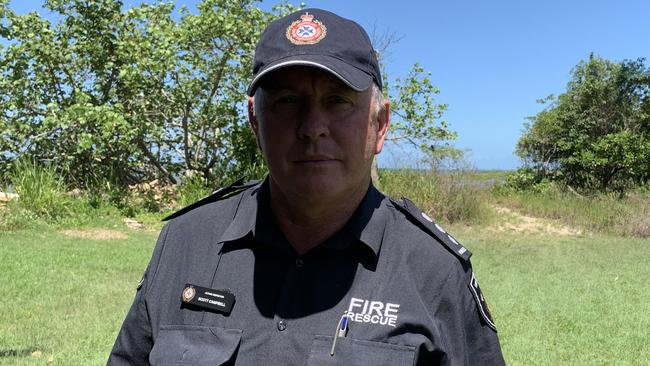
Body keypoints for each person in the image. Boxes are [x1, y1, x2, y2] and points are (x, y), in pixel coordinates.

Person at [107, 8, 505, 366]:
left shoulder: (434, 271)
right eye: (286, 101)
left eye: (337, 101)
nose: (313, 126)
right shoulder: (185, 242)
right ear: (255, 122)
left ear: (379, 124)